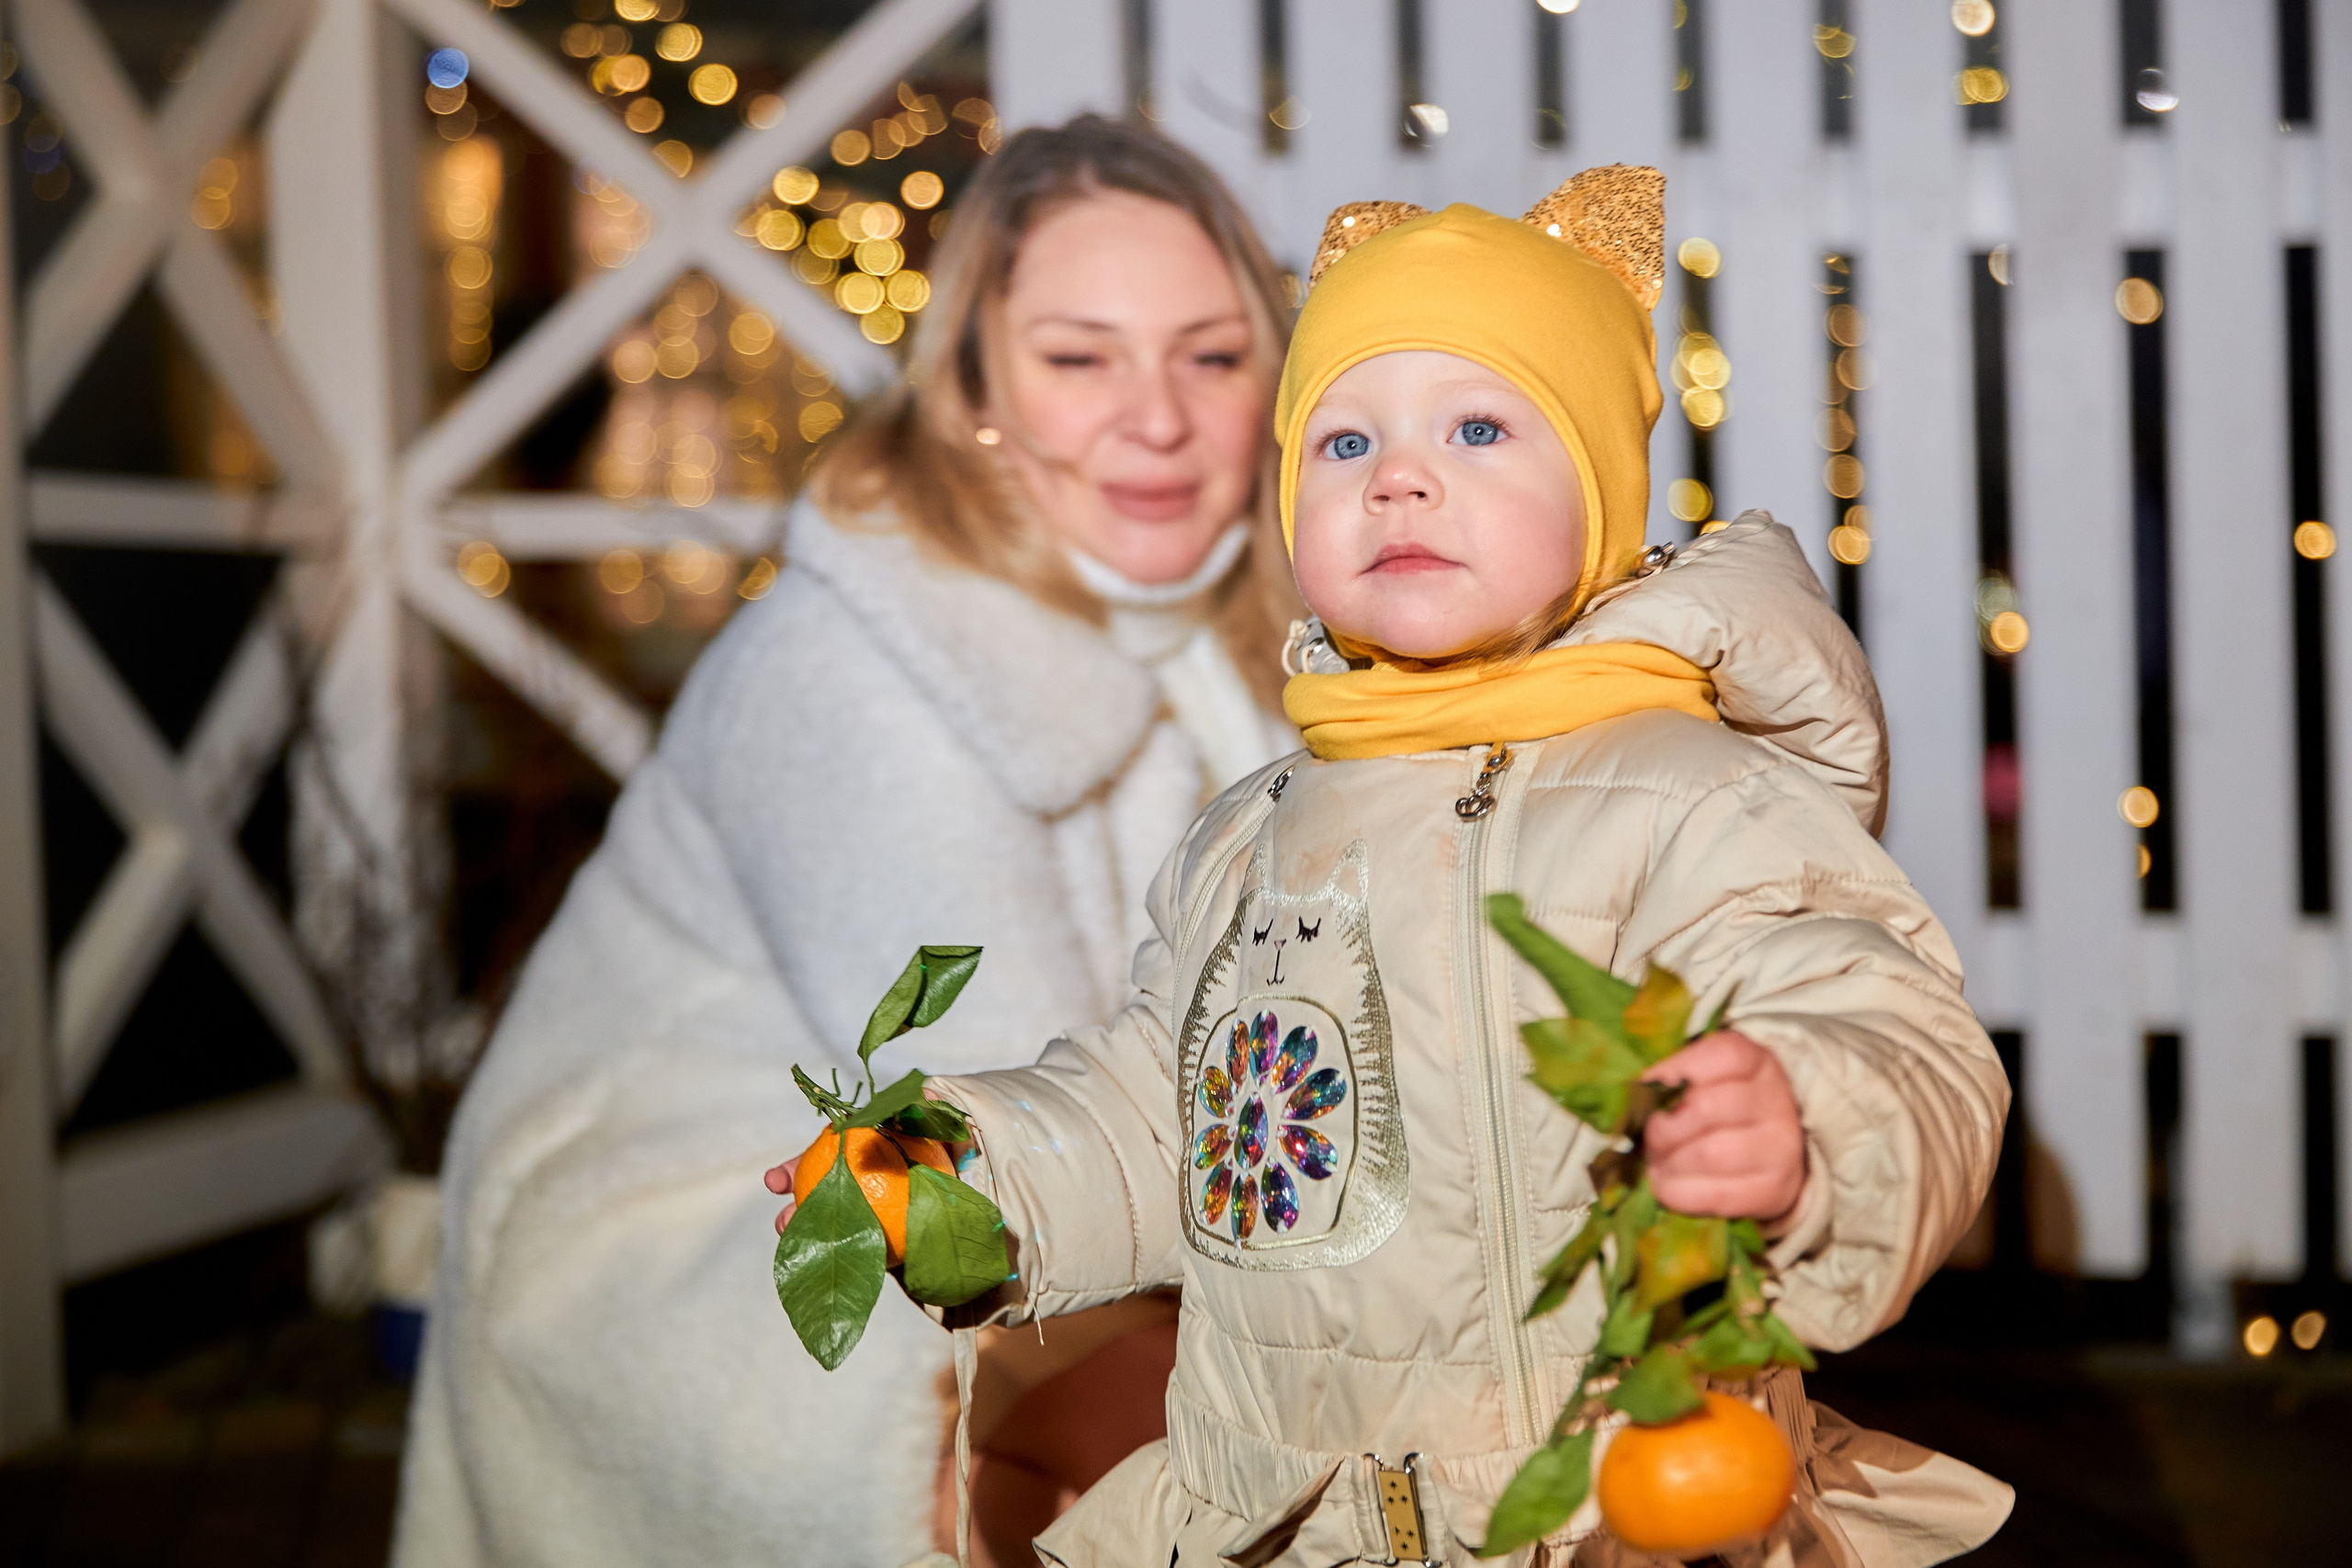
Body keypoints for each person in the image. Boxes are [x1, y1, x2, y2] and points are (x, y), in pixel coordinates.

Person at [793, 170, 2018, 1565]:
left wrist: (1805, 1118)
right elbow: (1170, 1119)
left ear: (1602, 494)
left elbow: (1894, 1027)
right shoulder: (1255, 832)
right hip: (1285, 1526)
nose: (1399, 476)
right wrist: (973, 1167)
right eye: (1344, 440)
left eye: (1480, 427)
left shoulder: (1692, 796)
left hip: (1607, 1516)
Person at [393, 116, 1300, 1568]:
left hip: (1032, 1184)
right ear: (976, 387)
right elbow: (1002, 1126)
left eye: (1212, 355)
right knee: (1198, 1428)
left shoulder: (1257, 635)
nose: (1159, 418)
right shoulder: (855, 664)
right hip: (696, 1236)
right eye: (1080, 359)